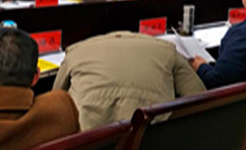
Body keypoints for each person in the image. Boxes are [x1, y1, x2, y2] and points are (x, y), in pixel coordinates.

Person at [53, 31, 205, 130]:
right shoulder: (166, 50)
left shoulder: (75, 53)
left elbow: (54, 103)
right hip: (153, 148)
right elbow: (200, 97)